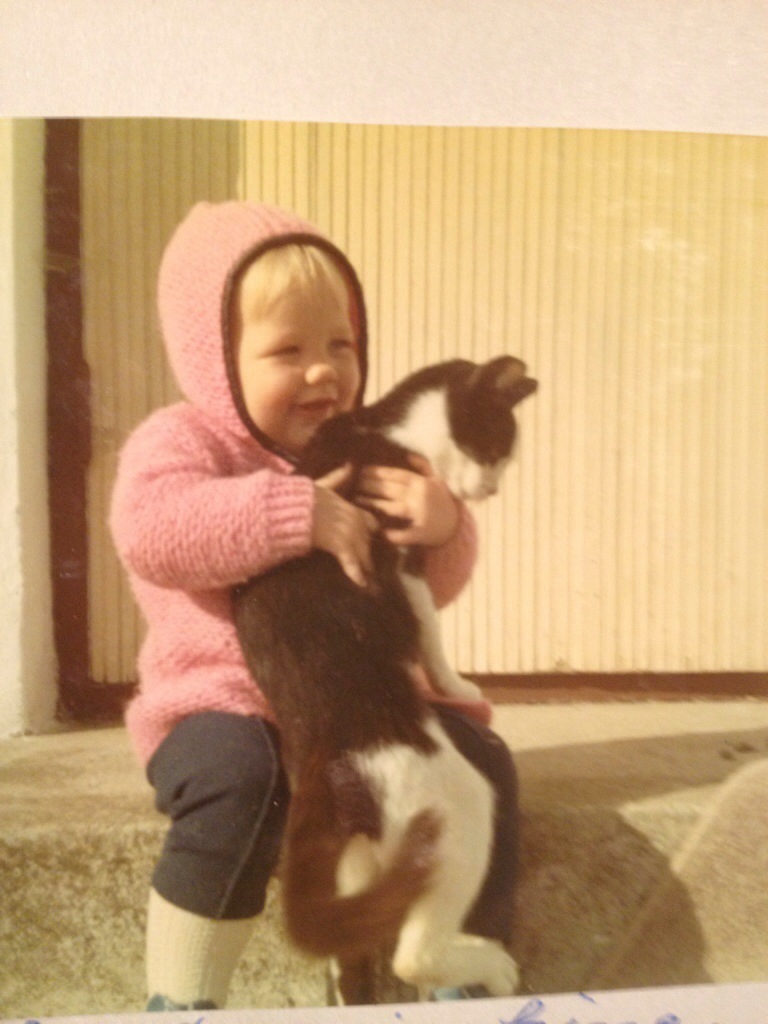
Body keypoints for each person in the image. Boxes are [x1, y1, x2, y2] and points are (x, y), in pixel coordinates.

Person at [110, 201, 519, 1011]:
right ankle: (182, 1000)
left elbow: (413, 594)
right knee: (241, 782)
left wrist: (441, 527)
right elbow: (151, 532)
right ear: (214, 359)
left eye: (342, 344)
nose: (324, 371)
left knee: (481, 762)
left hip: (355, 704)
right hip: (225, 705)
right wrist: (294, 513)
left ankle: (462, 979)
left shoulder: (369, 443)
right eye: (287, 351)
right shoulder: (185, 440)